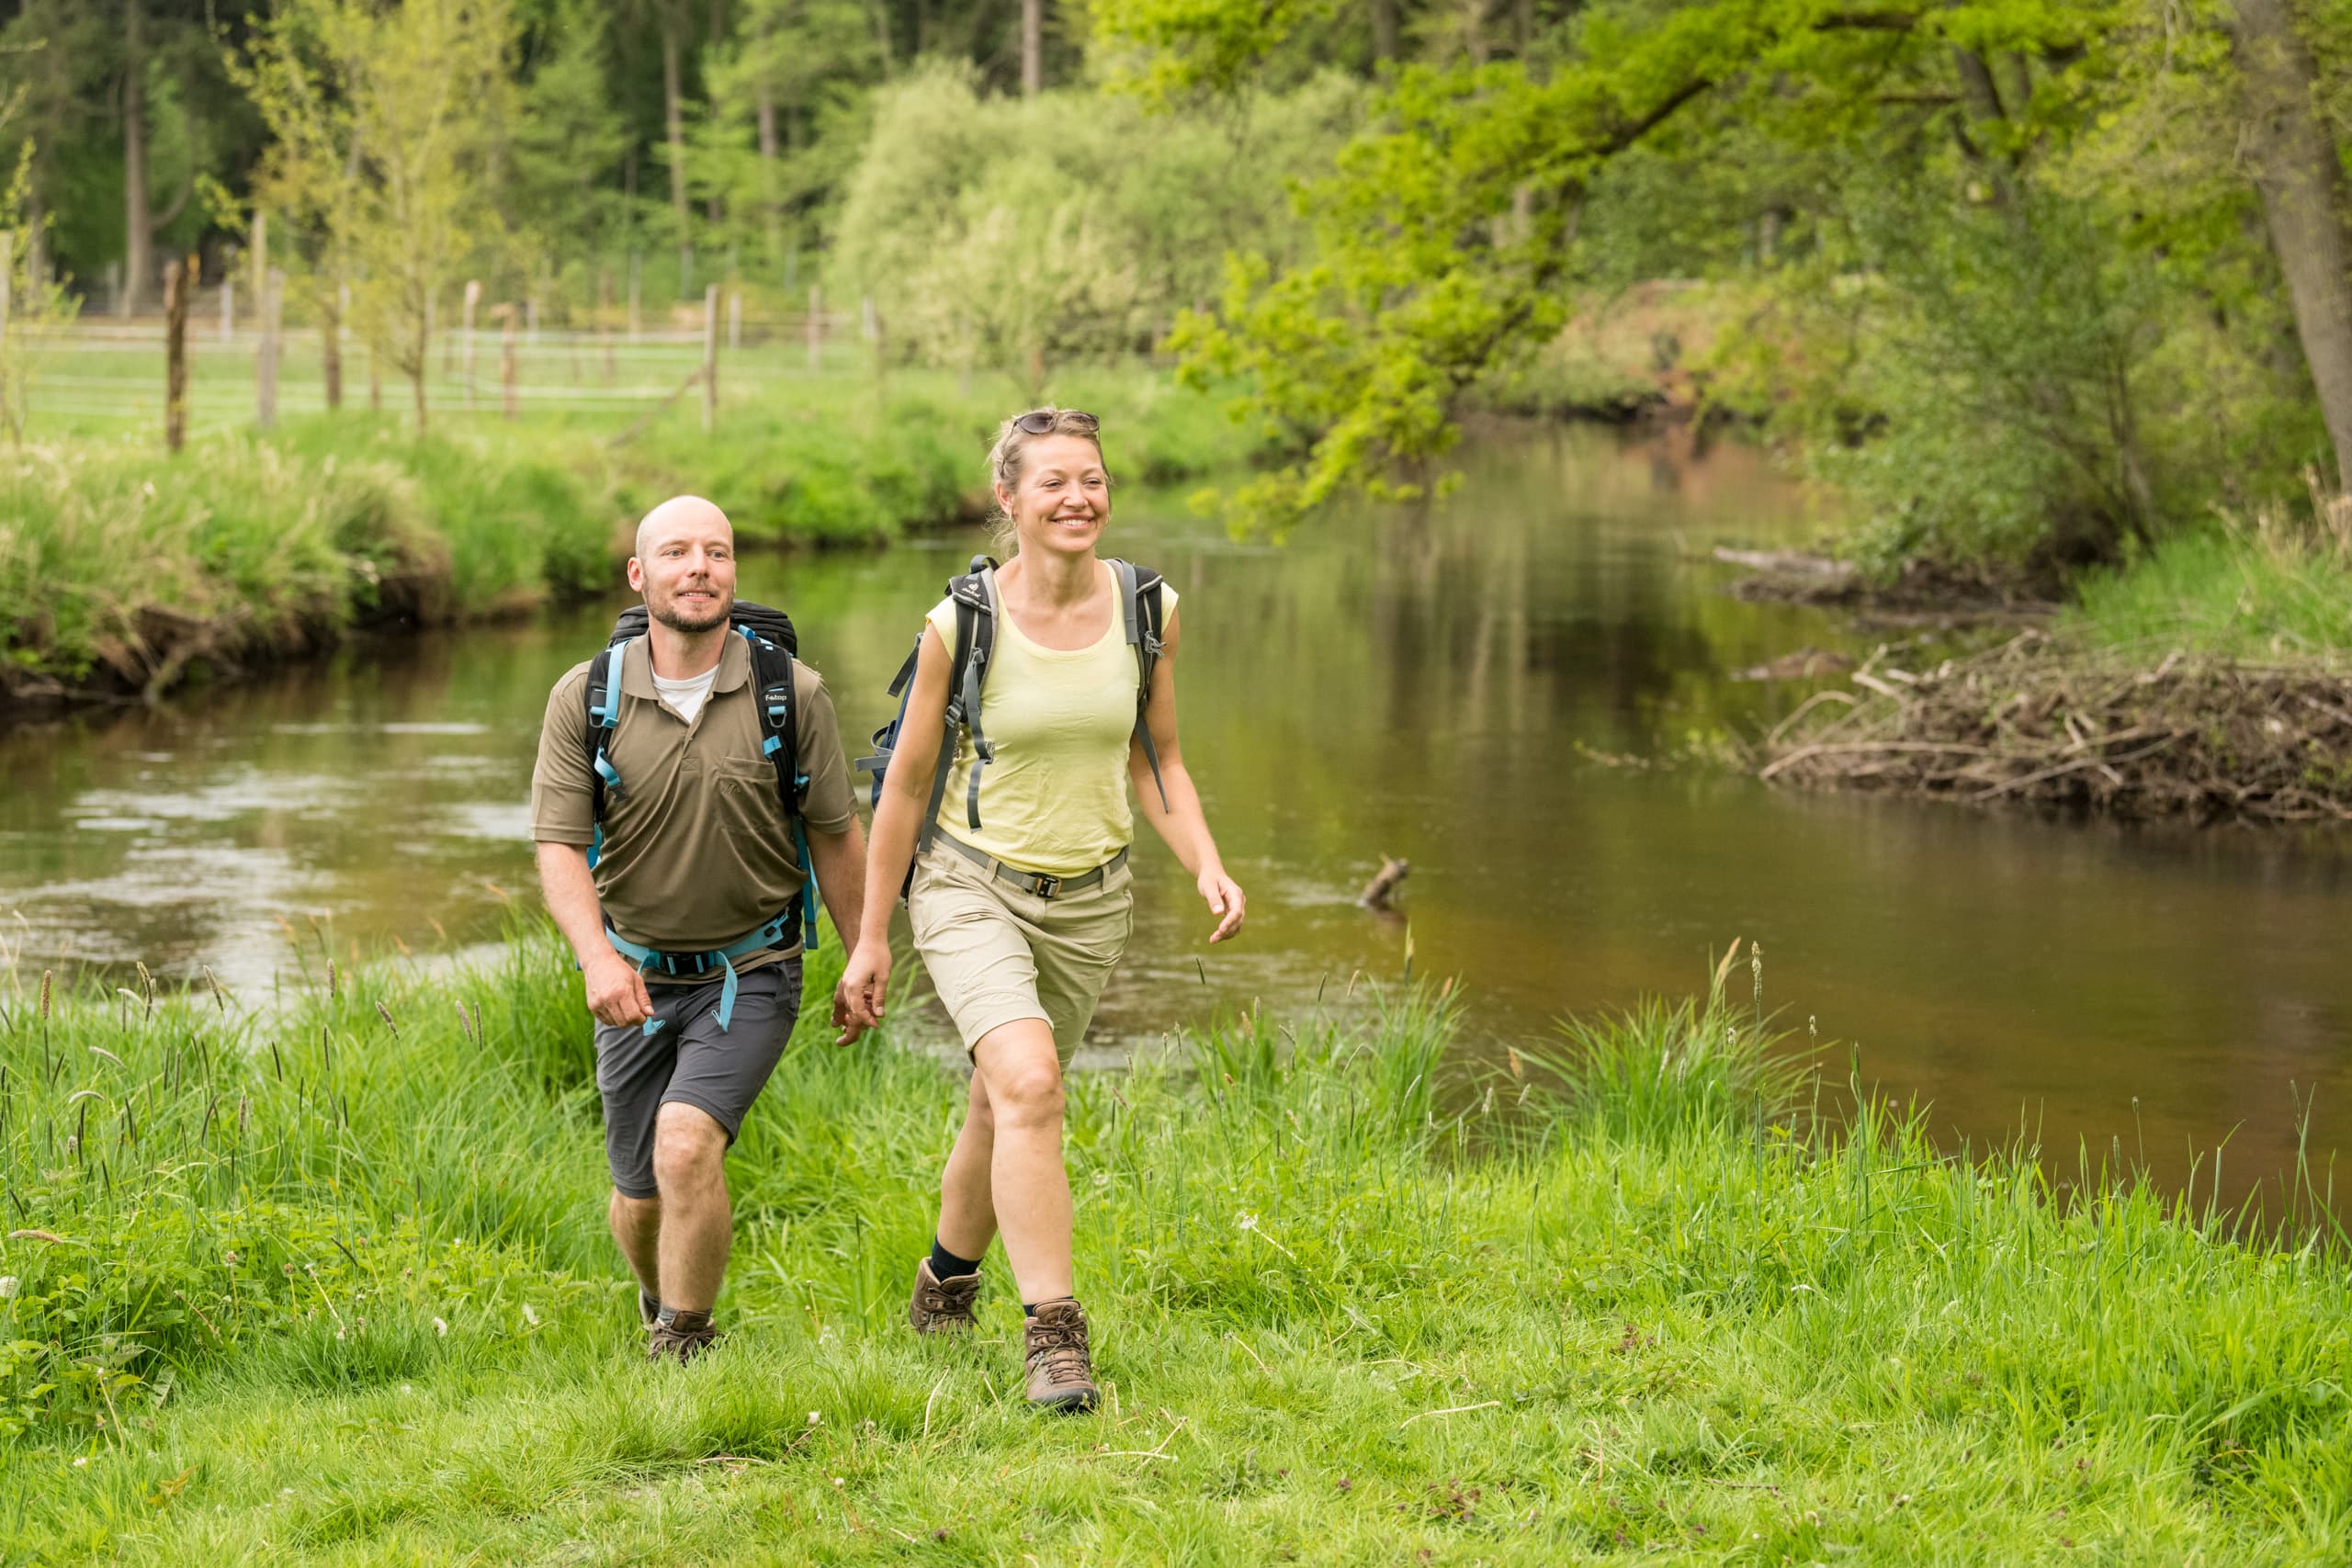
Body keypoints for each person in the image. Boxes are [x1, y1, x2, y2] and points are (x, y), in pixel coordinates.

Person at [836, 408, 1245, 1412]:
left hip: (1092, 897)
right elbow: (904, 786)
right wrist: (873, 935)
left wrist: (1206, 862)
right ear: (1009, 501)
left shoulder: (1149, 609)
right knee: (1028, 1085)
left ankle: (945, 1282)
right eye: (1053, 482)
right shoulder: (960, 625)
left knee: (1000, 1100)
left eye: (1092, 479)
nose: (1078, 499)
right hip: (971, 884)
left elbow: (1161, 760)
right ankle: (1054, 1340)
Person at [531, 495, 867, 1363]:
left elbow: (836, 834)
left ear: (733, 572)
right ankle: (658, 1297)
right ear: (640, 575)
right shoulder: (587, 696)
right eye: (677, 553)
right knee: (638, 1193)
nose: (699, 568)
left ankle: (685, 1344)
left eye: (716, 552)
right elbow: (560, 846)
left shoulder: (791, 693)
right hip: (632, 978)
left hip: (748, 969)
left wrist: (866, 949)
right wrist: (596, 957)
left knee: (685, 1147)